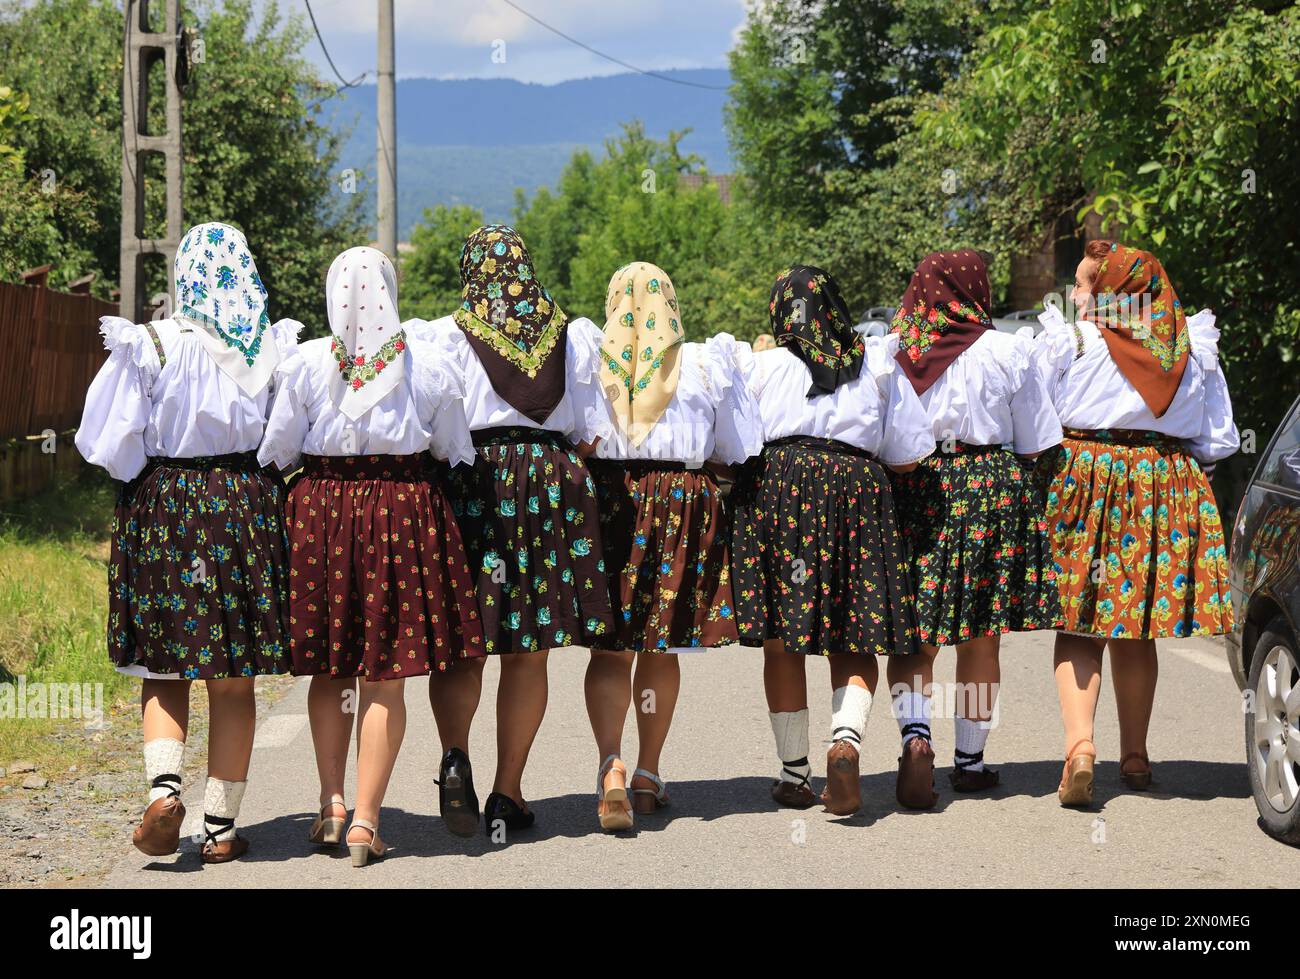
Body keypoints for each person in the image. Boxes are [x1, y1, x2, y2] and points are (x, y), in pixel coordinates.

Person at [75, 221, 299, 863]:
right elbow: (284, 444)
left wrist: (150, 472)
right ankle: (222, 829)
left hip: (166, 509)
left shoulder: (151, 344)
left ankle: (165, 791)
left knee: (165, 668)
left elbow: (109, 444)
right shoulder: (269, 352)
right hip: (243, 509)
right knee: (233, 679)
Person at [259, 246, 484, 864]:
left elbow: (277, 450)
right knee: (384, 672)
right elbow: (454, 450)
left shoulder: (304, 364)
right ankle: (364, 822)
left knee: (333, 664)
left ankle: (330, 803)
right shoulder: (429, 365)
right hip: (402, 512)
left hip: (322, 515)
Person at [407, 225, 616, 836]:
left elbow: (431, 422)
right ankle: (508, 791)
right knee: (528, 652)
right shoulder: (571, 336)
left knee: (465, 642)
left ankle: (455, 758)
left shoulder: (447, 335)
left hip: (475, 484)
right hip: (550, 486)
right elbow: (592, 433)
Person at [1037, 239, 1237, 807]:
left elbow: (1038, 421)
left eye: (1081, 285)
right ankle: (1136, 756)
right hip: (1160, 484)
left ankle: (1080, 747)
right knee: (1136, 622)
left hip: (1085, 475)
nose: (1074, 295)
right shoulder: (1189, 350)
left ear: (1111, 293)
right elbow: (1218, 439)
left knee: (1080, 624)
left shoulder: (1072, 343)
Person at [730, 265, 936, 816]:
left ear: (780, 312)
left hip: (779, 492)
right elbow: (911, 454)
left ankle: (794, 775)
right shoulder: (877, 364)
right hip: (855, 494)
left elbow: (732, 445)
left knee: (782, 638)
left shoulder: (761, 366)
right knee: (854, 636)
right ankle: (844, 739)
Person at [582, 262, 763, 831]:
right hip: (683, 503)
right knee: (660, 645)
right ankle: (647, 772)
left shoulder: (592, 364)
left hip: (613, 500)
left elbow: (577, 438)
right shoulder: (707, 364)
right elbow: (738, 447)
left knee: (611, 650)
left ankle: (610, 764)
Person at [886, 250, 1063, 806]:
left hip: (922, 487)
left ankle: (917, 737)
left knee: (916, 633)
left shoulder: (899, 351)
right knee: (982, 635)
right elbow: (1037, 441)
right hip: (991, 485)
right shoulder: (1011, 350)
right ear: (978, 288)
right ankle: (971, 760)